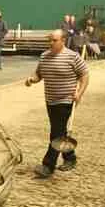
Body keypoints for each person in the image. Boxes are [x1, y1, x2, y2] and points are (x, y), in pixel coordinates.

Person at [25, 29, 89, 178]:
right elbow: (39, 74)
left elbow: (85, 75)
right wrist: (32, 79)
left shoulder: (73, 56)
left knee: (56, 133)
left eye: (54, 40)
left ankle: (48, 165)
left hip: (66, 100)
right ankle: (70, 158)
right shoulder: (44, 56)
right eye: (50, 40)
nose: (51, 43)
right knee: (60, 131)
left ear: (63, 41)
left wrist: (79, 93)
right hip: (50, 100)